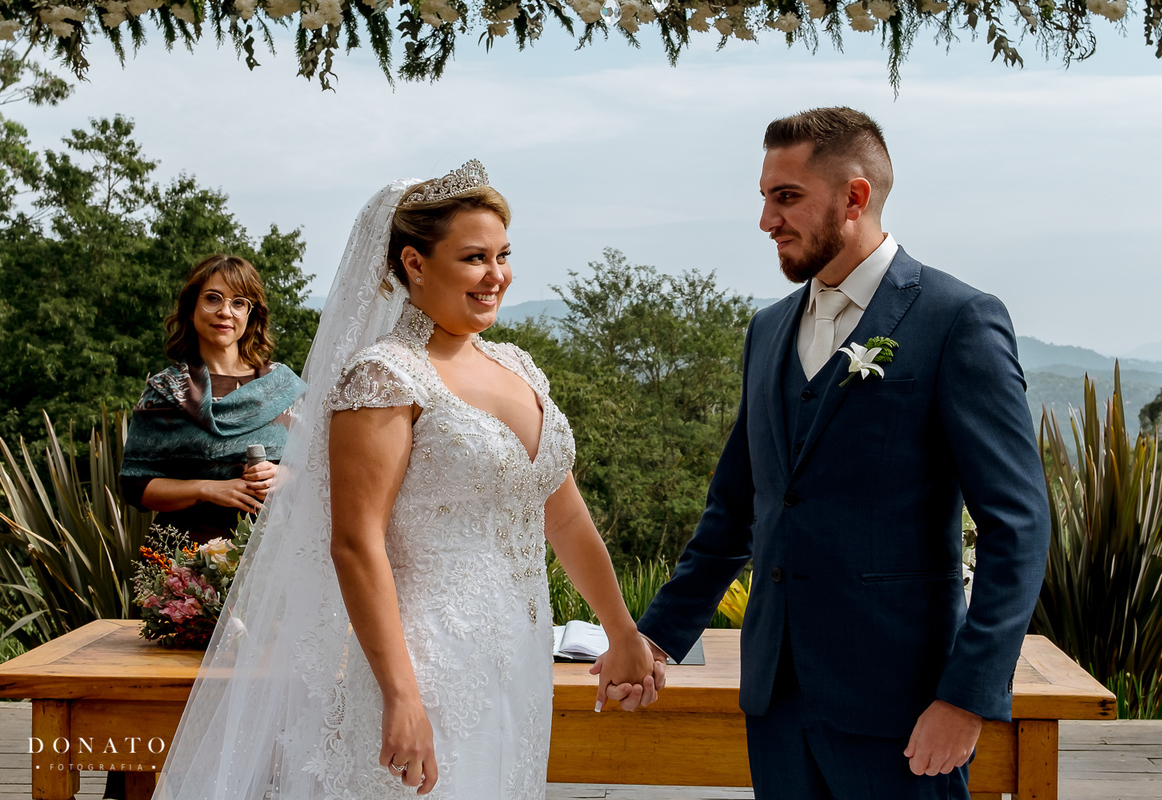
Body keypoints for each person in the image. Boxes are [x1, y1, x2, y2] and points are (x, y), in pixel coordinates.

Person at [151, 162, 660, 800]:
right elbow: (355, 542)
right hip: (426, 666)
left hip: (519, 658)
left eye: (504, 255)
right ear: (414, 263)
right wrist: (400, 695)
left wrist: (621, 632)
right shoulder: (384, 377)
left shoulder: (517, 365)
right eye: (474, 257)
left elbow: (562, 514)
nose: (497, 275)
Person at [630, 108, 1052, 799]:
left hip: (906, 711)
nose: (767, 220)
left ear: (854, 197)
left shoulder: (957, 320)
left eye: (786, 197)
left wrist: (967, 697)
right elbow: (736, 510)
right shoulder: (767, 331)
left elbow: (1019, 527)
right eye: (765, 198)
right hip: (776, 704)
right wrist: (654, 640)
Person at [120, 254, 305, 545]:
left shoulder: (280, 387)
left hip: (272, 556)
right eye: (213, 298)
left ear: (250, 315)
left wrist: (285, 474)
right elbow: (135, 486)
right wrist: (207, 489)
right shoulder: (165, 390)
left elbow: (317, 467)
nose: (225, 312)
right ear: (192, 310)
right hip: (186, 562)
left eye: (239, 302)